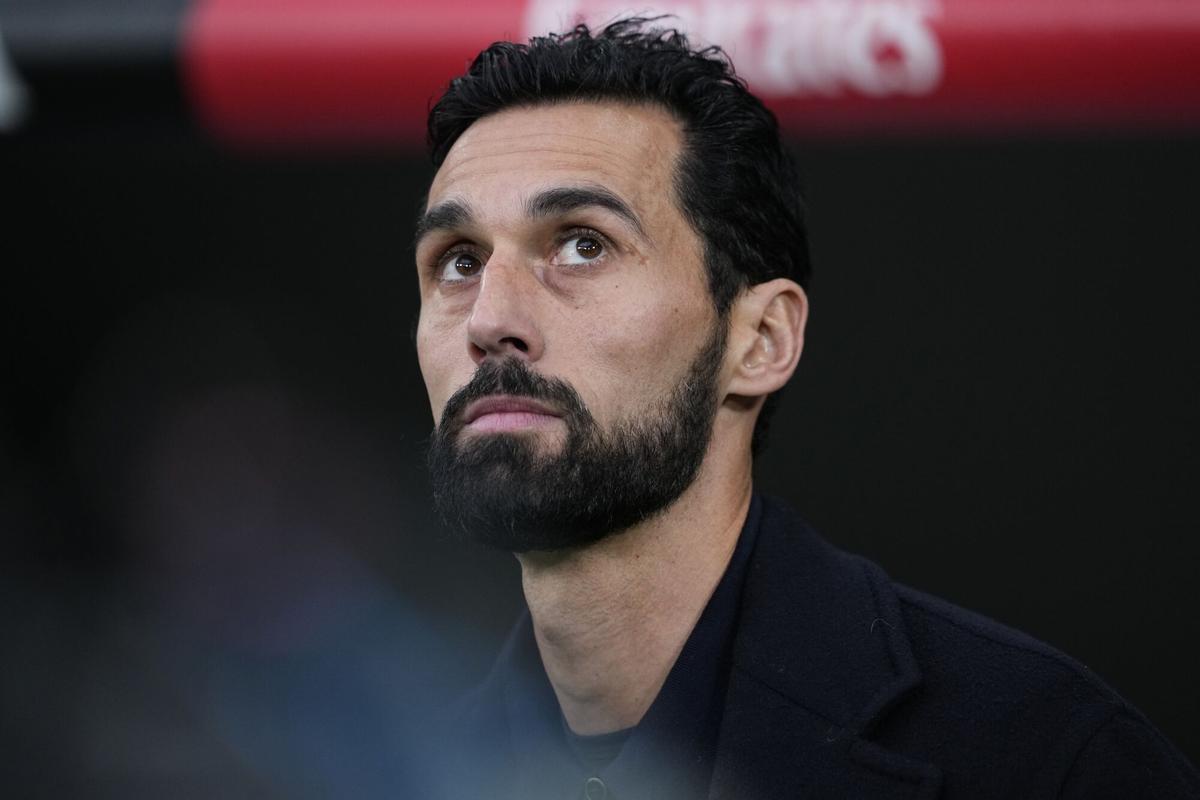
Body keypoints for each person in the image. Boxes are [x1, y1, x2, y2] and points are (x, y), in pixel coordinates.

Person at [410, 17, 1200, 800]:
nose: (488, 319)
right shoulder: (376, 769)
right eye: (459, 261)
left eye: (582, 243)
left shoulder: (1046, 762)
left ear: (760, 339)